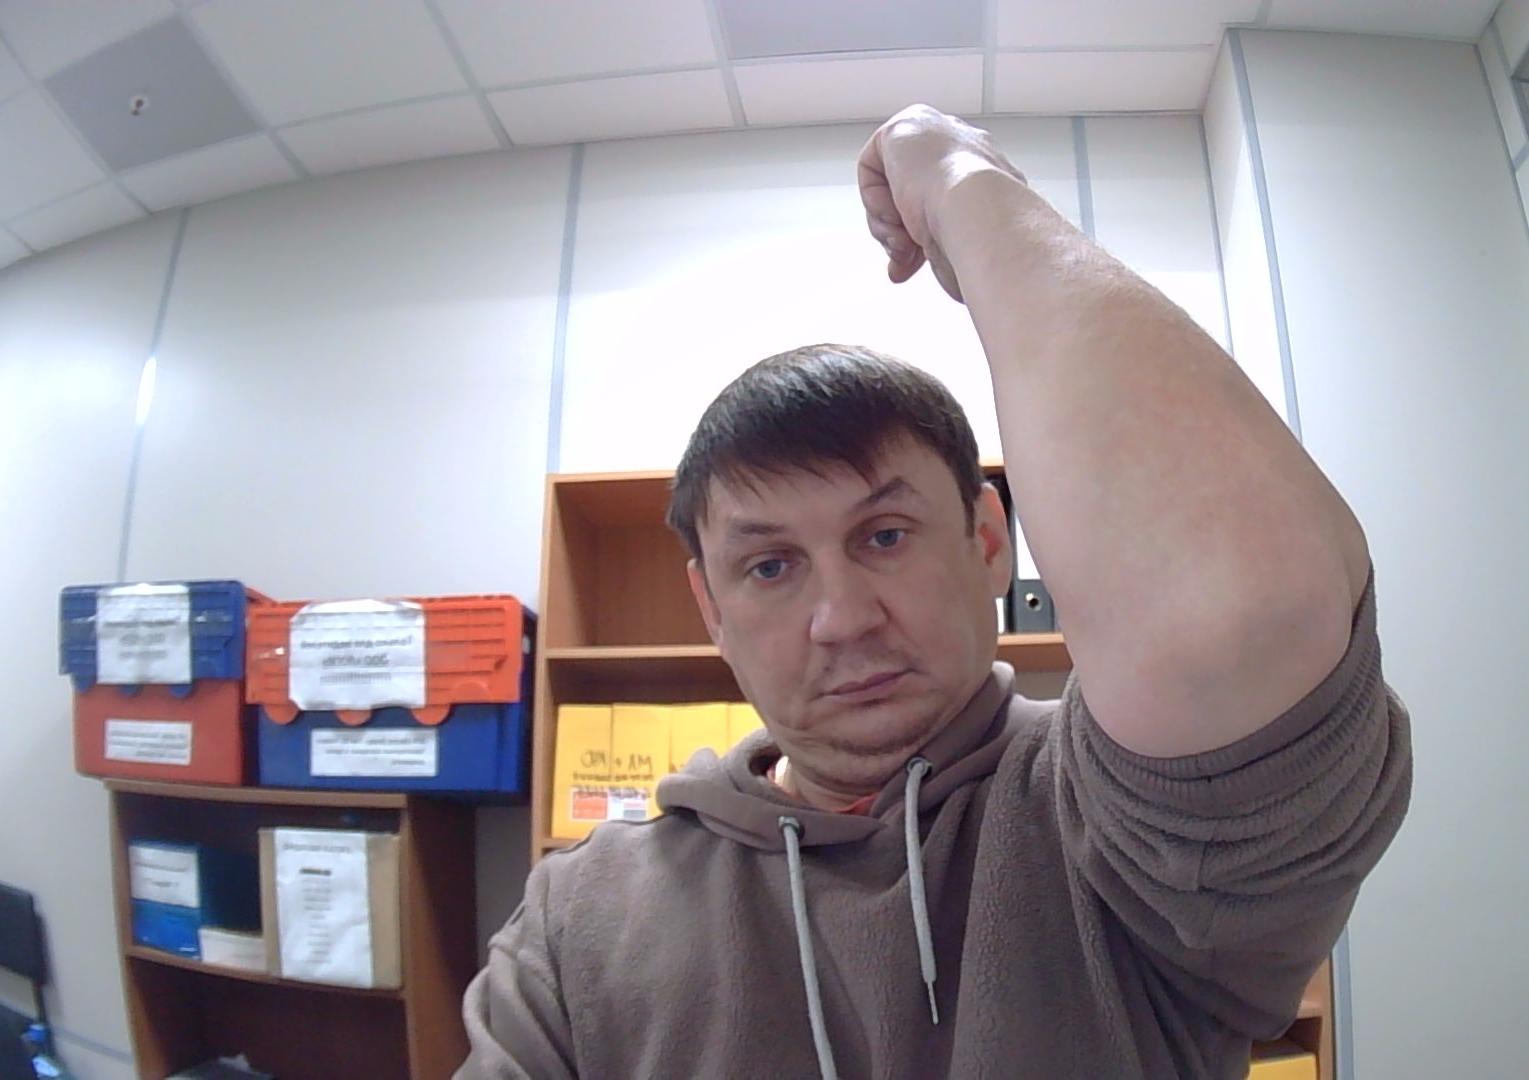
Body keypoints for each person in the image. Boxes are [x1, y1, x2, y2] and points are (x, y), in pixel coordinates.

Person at [458, 104, 1410, 1080]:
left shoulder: (1119, 826)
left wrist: (960, 181)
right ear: (712, 613)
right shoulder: (578, 918)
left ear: (988, 542)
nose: (841, 620)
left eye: (884, 535)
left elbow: (1239, 617)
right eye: (771, 566)